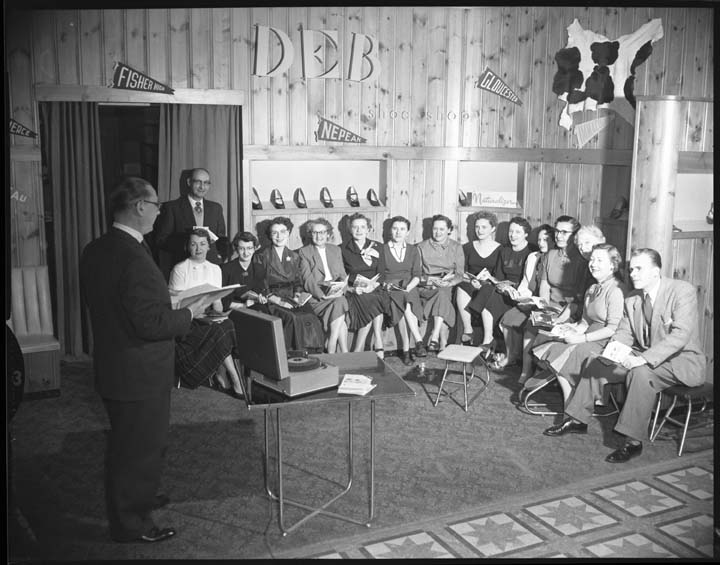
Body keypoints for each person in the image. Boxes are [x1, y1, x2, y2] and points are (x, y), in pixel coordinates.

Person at [80, 177, 205, 543]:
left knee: (127, 444)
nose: (158, 212)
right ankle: (132, 523)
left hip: (115, 363)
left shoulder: (98, 248)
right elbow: (149, 323)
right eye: (155, 206)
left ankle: (138, 497)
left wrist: (167, 304)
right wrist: (189, 314)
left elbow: (121, 306)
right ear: (139, 206)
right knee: (141, 449)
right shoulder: (133, 255)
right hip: (139, 371)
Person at [544, 248, 706, 464]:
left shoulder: (681, 291)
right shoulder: (632, 299)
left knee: (640, 373)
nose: (633, 274)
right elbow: (624, 333)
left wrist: (643, 359)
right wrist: (612, 352)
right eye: (631, 269)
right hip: (646, 354)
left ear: (656, 271)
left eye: (639, 269)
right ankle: (577, 420)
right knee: (598, 362)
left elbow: (680, 335)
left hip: (680, 360)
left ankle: (633, 442)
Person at [531, 244, 627, 404]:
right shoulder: (592, 288)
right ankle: (570, 400)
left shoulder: (616, 290)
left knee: (564, 352)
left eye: (599, 260)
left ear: (612, 265)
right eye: (592, 259)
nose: (593, 264)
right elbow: (585, 322)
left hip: (606, 341)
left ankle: (573, 404)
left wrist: (582, 338)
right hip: (589, 335)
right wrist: (569, 329)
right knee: (552, 343)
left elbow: (612, 329)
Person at [168, 229, 244, 396]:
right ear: (188, 247)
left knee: (227, 323)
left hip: (207, 317)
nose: (198, 248)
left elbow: (217, 304)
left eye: (202, 244)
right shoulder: (180, 269)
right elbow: (175, 306)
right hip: (187, 321)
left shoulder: (215, 269)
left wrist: (219, 312)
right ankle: (233, 376)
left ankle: (221, 373)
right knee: (218, 330)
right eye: (193, 244)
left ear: (209, 247)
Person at [517, 215, 587, 385]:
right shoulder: (550, 255)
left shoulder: (582, 260)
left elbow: (580, 298)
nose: (559, 236)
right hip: (551, 306)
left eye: (564, 232)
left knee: (549, 330)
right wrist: (544, 308)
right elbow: (545, 285)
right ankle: (526, 370)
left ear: (574, 235)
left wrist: (560, 315)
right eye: (557, 231)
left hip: (571, 310)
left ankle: (545, 371)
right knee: (532, 324)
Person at [255, 217, 325, 352]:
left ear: (288, 233)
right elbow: (260, 284)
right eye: (275, 233)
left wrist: (298, 295)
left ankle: (313, 355)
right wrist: (279, 301)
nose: (279, 236)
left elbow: (298, 281)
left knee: (311, 317)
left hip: (292, 297)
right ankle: (293, 355)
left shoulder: (294, 256)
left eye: (283, 232)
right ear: (270, 235)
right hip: (272, 299)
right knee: (294, 318)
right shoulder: (261, 255)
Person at [466, 216, 533, 356]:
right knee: (487, 288)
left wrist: (514, 288)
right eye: (511, 231)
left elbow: (530, 280)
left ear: (526, 234)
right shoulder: (505, 251)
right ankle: (488, 339)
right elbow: (499, 276)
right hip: (505, 290)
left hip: (521, 293)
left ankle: (489, 339)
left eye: (518, 232)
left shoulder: (531, 252)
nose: (513, 235)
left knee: (488, 296)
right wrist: (496, 282)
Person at [495, 224, 555, 369]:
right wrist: (518, 296)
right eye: (539, 240)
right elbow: (526, 283)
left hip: (548, 304)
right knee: (509, 317)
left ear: (553, 241)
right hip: (531, 299)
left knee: (529, 322)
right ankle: (511, 356)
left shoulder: (554, 259)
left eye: (546, 240)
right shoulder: (533, 257)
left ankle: (526, 366)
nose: (541, 243)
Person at [154, 167, 226, 280]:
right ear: (189, 182)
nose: (202, 187)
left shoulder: (216, 208)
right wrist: (188, 242)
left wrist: (220, 256)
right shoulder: (172, 208)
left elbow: (221, 238)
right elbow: (161, 240)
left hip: (210, 268)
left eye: (206, 183)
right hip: (184, 270)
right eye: (198, 182)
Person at [377, 216, 427, 365]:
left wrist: (408, 287)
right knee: (405, 302)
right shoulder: (382, 249)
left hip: (409, 287)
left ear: (408, 232)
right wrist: (386, 285)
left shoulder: (413, 250)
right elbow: (380, 274)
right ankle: (417, 342)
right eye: (395, 228)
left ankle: (407, 350)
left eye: (402, 229)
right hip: (390, 288)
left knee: (406, 302)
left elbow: (417, 275)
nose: (398, 232)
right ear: (390, 231)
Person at [298, 218, 350, 354]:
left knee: (340, 300)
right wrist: (323, 295)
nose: (319, 236)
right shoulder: (305, 252)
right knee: (341, 306)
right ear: (310, 234)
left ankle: (333, 346)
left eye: (322, 232)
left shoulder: (335, 249)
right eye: (315, 232)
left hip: (335, 291)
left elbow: (342, 274)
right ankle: (340, 350)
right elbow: (308, 280)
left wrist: (342, 289)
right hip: (317, 296)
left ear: (328, 234)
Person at [341, 213, 390, 358]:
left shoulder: (378, 246)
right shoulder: (343, 249)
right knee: (371, 299)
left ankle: (362, 348)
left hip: (375, 287)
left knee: (375, 297)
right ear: (350, 229)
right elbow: (342, 276)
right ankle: (377, 344)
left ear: (368, 229)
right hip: (355, 290)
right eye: (355, 227)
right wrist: (353, 288)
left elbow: (382, 272)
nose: (359, 230)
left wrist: (373, 285)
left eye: (362, 227)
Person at [416, 215, 465, 352]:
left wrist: (449, 283)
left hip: (446, 284)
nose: (438, 232)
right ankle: (439, 340)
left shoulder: (456, 247)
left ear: (449, 230)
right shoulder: (421, 247)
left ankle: (435, 337)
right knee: (442, 296)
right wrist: (429, 281)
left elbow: (460, 274)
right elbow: (416, 273)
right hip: (426, 286)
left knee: (443, 292)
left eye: (442, 229)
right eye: (435, 229)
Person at [455, 211, 502, 346]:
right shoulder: (468, 247)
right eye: (477, 227)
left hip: (489, 286)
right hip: (471, 283)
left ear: (493, 228)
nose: (479, 230)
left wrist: (486, 282)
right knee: (462, 287)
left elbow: (499, 276)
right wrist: (470, 280)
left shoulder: (500, 249)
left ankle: (488, 338)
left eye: (484, 227)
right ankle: (468, 330)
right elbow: (461, 271)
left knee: (487, 290)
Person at [220, 231, 268, 310]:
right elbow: (222, 300)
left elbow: (261, 291)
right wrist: (243, 306)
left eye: (249, 248)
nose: (246, 253)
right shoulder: (226, 269)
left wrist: (260, 297)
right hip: (233, 310)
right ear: (236, 249)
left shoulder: (259, 268)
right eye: (242, 248)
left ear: (254, 249)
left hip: (254, 307)